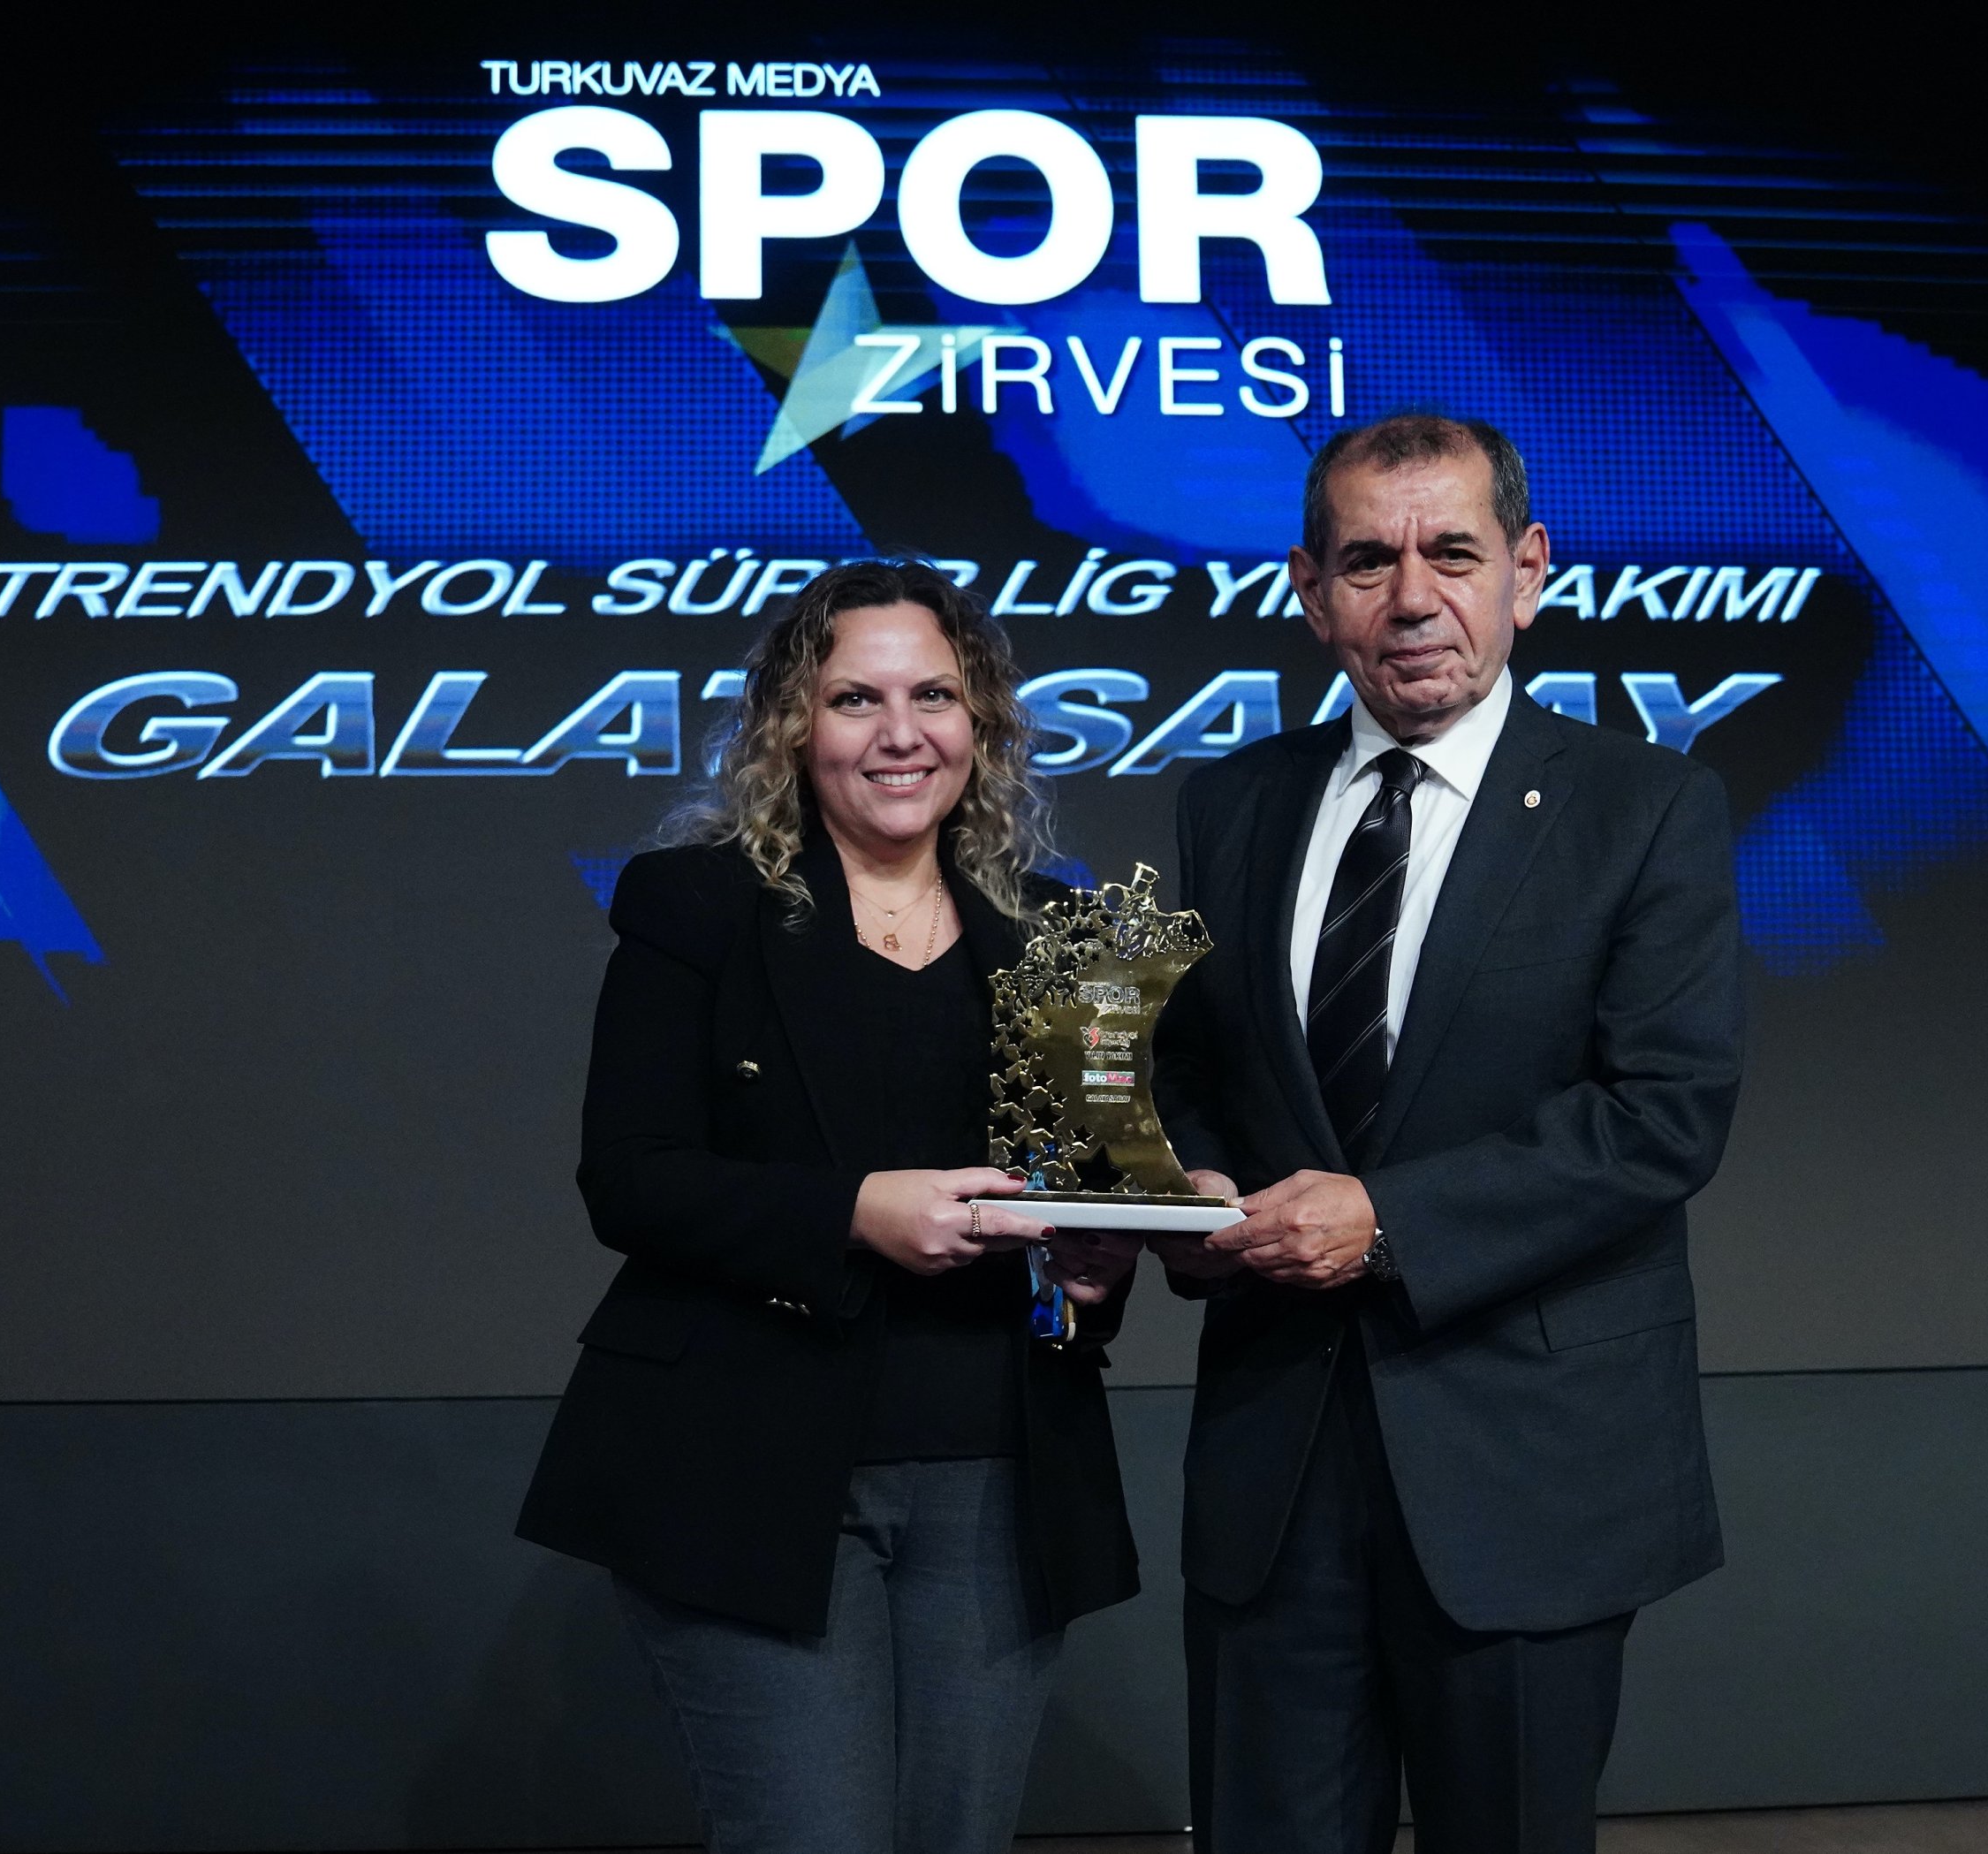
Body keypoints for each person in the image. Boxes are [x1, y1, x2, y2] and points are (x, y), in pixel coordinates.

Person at [1150, 415, 1747, 1854]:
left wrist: (1389, 1220)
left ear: (1527, 574)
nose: (1411, 595)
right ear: (1311, 588)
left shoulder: (1644, 807)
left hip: (1526, 1476)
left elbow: (1663, 1113)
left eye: (1452, 552)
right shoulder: (1231, 802)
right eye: (1367, 558)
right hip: (1275, 1473)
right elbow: (1194, 1074)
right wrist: (1178, 1187)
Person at [517, 558, 1142, 1854]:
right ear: (792, 724)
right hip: (747, 1461)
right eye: (856, 697)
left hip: (998, 1473)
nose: (900, 732)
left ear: (984, 722)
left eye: (935, 694)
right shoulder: (697, 907)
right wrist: (853, 1210)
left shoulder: (1067, 931)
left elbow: (1087, 1189)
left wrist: (1105, 1250)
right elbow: (629, 1176)